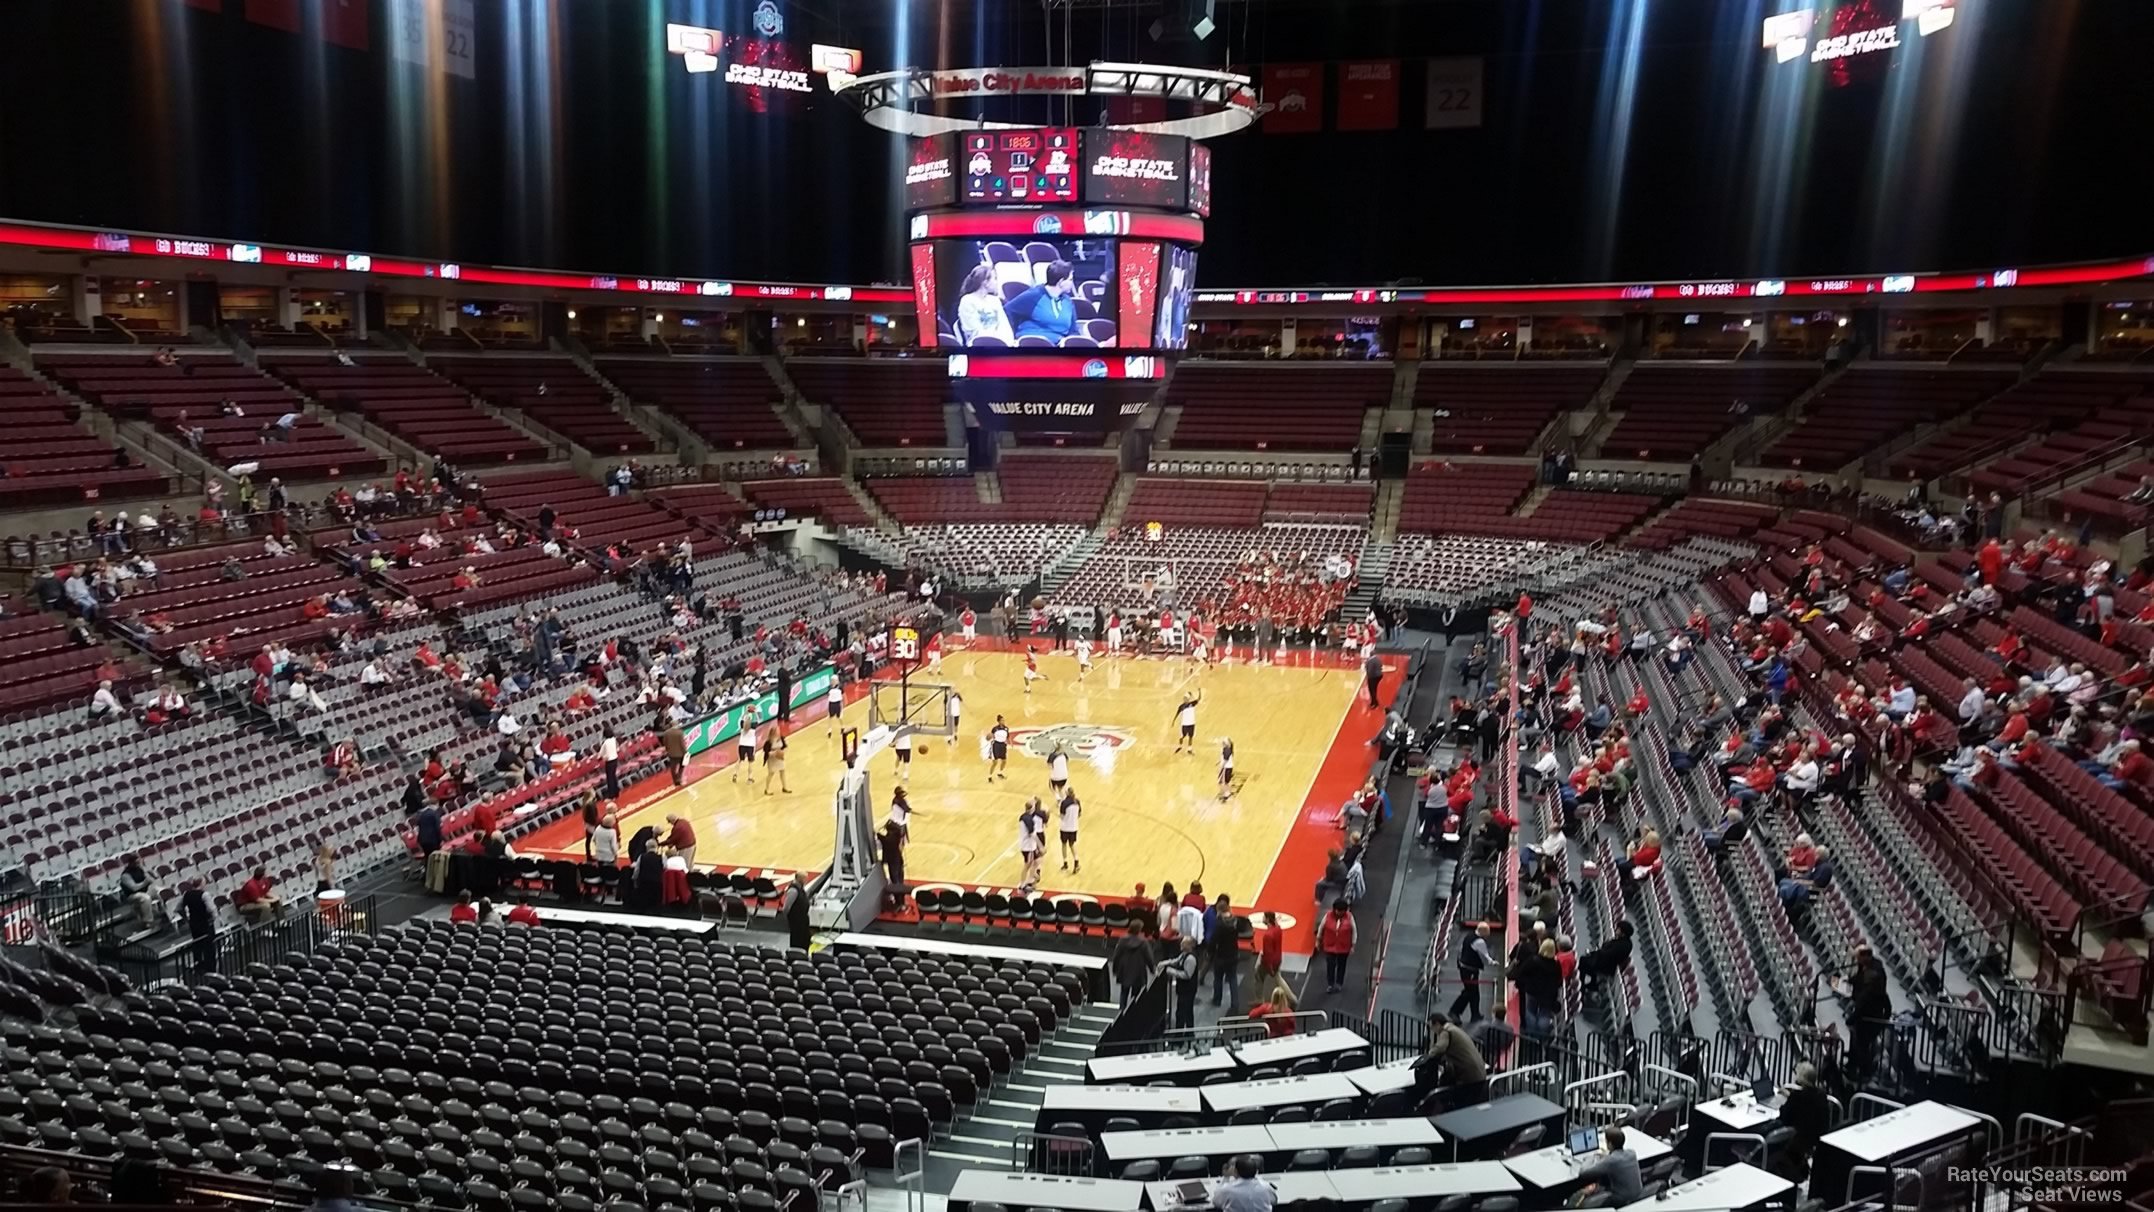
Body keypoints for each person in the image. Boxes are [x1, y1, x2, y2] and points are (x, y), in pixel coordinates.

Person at [1410, 1011, 1489, 1110]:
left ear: (1437, 1024)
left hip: (1469, 1078)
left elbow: (1440, 1048)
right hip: (1479, 1073)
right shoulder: (1455, 1029)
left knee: (1459, 1105)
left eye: (1432, 1027)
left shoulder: (1446, 1031)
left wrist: (1428, 1056)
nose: (1433, 1031)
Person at [1843, 945, 1892, 1078]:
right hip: (1864, 1010)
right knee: (1856, 1039)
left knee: (1863, 1044)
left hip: (1871, 1014)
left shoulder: (1874, 974)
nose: (1857, 960)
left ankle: (1863, 1073)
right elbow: (1859, 979)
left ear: (1866, 957)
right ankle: (1852, 1063)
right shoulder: (1865, 967)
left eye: (1859, 957)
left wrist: (1853, 1017)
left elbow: (1865, 999)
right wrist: (1847, 981)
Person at [1006, 260, 1079, 342]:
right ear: (1061, 282)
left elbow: (1073, 330)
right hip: (1032, 344)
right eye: (1070, 279)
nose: (1072, 283)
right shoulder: (1033, 296)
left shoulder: (1068, 302)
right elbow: (1007, 311)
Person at [1575, 1126, 1645, 1204]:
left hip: (1622, 1199)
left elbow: (1583, 1173)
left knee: (1586, 1193)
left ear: (1610, 1144)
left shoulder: (1610, 1161)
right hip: (1638, 1193)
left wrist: (1589, 1157)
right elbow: (1615, 1159)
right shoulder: (1632, 1153)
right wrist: (1606, 1156)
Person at [954, 263, 1017, 345]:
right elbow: (973, 331)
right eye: (994, 279)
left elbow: (1005, 326)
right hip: (978, 345)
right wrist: (993, 341)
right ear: (985, 282)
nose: (996, 282)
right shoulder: (967, 300)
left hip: (1000, 343)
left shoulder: (995, 300)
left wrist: (1006, 343)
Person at [1450, 923, 1494, 1022]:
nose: (1489, 934)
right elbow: (1485, 956)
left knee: (1474, 992)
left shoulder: (1469, 936)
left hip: (1466, 968)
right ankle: (1454, 1011)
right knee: (1469, 992)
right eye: (1487, 931)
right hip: (1469, 971)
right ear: (1482, 931)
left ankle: (1475, 1014)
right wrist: (1491, 962)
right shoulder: (1479, 941)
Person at [1111, 919, 1157, 1007]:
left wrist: (1115, 969)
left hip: (1124, 970)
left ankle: (1122, 1012)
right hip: (1138, 971)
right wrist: (1152, 970)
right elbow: (1149, 958)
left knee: (1124, 993)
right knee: (1136, 995)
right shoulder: (1143, 942)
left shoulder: (1122, 940)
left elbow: (1116, 955)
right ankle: (1133, 1013)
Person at [1158, 935, 1200, 1029]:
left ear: (1189, 946)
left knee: (1182, 1013)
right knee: (1187, 1012)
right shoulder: (1184, 954)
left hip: (1188, 990)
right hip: (1183, 989)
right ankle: (1189, 1032)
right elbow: (1177, 961)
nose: (1181, 944)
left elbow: (1187, 975)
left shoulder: (1190, 959)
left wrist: (1172, 971)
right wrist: (1165, 963)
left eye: (1183, 943)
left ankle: (1179, 1035)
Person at [1213, 1155, 1278, 1212]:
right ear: (1256, 1171)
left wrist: (1226, 1178)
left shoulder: (1227, 1189)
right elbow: (1274, 1201)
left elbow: (1216, 1202)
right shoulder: (1265, 1186)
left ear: (1235, 1171)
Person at [1318, 897, 1356, 994]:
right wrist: (1318, 941)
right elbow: (1321, 928)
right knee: (1330, 965)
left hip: (1344, 947)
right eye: (1338, 910)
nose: (1340, 913)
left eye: (1342, 911)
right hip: (1330, 946)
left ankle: (1339, 983)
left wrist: (1353, 945)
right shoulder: (1328, 916)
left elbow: (1354, 931)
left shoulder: (1349, 917)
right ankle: (1331, 984)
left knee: (1341, 966)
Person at [116, 854, 164, 931]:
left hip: (144, 891)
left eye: (139, 862)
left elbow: (149, 879)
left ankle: (165, 913)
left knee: (159, 890)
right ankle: (148, 921)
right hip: (132, 895)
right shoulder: (125, 875)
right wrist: (145, 882)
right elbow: (134, 888)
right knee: (145, 898)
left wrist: (152, 875)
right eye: (136, 863)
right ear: (131, 863)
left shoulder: (140, 869)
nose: (138, 864)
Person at [1057, 788, 1082, 873]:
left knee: (1064, 844)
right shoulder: (1077, 802)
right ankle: (1076, 861)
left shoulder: (1064, 803)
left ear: (1067, 793)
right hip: (1074, 827)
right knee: (1072, 845)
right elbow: (1079, 814)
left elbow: (1062, 816)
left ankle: (1065, 863)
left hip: (1065, 827)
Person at [1256, 910, 1284, 984]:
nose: (1262, 918)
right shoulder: (1278, 929)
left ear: (1267, 919)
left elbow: (1268, 953)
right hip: (1278, 959)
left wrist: (1269, 967)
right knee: (1278, 979)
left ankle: (1259, 996)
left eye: (1264, 917)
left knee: (1258, 975)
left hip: (1271, 962)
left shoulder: (1268, 935)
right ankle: (1291, 996)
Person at [762, 727, 790, 794]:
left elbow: (785, 747)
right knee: (771, 773)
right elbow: (766, 752)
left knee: (782, 771)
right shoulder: (768, 742)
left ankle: (785, 787)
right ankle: (767, 789)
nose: (779, 732)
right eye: (777, 731)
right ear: (773, 732)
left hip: (779, 758)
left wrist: (782, 752)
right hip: (772, 759)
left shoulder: (782, 738)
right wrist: (775, 753)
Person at [1172, 689, 1201, 754]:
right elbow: (1177, 713)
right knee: (1182, 736)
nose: (1185, 699)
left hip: (1191, 723)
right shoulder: (1181, 706)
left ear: (1188, 699)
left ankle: (1189, 749)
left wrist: (1199, 691)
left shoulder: (1192, 704)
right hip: (1184, 724)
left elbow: (1199, 699)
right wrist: (1173, 721)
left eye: (1186, 698)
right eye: (1184, 698)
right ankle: (1180, 746)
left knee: (1190, 737)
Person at [660, 717, 687, 786]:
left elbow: (665, 743)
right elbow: (682, 744)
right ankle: (679, 777)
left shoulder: (666, 733)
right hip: (680, 753)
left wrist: (667, 750)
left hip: (671, 753)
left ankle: (675, 780)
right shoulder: (680, 732)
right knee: (683, 765)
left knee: (673, 768)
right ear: (676, 724)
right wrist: (685, 752)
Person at [986, 715, 1010, 781]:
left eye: (1004, 720)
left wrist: (1009, 742)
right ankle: (989, 776)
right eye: (1002, 720)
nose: (1003, 721)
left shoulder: (1006, 728)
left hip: (1003, 745)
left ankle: (1000, 773)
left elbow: (1008, 736)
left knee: (1004, 761)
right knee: (995, 762)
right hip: (996, 745)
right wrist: (988, 737)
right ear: (999, 721)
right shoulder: (995, 729)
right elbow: (988, 737)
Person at [1218, 736, 1237, 802]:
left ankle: (1226, 794)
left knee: (1222, 782)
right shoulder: (1229, 749)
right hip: (1229, 767)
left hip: (1226, 768)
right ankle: (1227, 793)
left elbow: (1225, 759)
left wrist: (1221, 767)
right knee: (1226, 781)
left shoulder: (1226, 750)